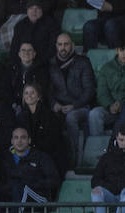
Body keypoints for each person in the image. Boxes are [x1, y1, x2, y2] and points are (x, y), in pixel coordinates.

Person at [48, 31, 96, 163]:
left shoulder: (83, 62)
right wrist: (54, 104)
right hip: (59, 107)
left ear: (73, 46)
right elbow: (48, 91)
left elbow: (89, 90)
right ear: (56, 46)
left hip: (80, 106)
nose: (63, 47)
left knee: (71, 117)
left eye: (66, 44)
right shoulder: (50, 64)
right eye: (60, 44)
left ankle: (74, 158)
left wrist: (74, 105)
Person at [90, 38, 125, 138]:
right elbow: (102, 92)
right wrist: (110, 105)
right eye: (122, 50)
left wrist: (124, 105)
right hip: (110, 109)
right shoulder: (106, 68)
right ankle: (97, 146)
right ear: (117, 50)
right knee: (94, 114)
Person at [2, 123, 59, 213]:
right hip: (14, 198)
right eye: (16, 138)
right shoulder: (5, 158)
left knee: (21, 187)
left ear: (29, 140)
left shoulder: (41, 157)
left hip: (39, 198)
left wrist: (31, 183)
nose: (19, 141)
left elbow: (54, 181)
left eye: (23, 137)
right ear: (12, 141)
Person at [16, 81, 69, 174]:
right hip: (29, 156)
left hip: (47, 157)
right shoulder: (21, 117)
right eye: (26, 93)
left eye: (32, 92)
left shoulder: (49, 115)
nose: (29, 95)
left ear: (39, 96)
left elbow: (53, 140)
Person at [9, 0, 59, 65]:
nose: (34, 11)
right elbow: (14, 49)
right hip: (22, 63)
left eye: (37, 8)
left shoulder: (52, 24)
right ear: (27, 10)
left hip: (42, 63)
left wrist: (38, 62)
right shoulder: (20, 25)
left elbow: (52, 48)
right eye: (31, 8)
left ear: (41, 10)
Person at [7, 40, 44, 106]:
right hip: (14, 105)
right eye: (23, 50)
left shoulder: (41, 70)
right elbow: (6, 90)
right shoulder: (11, 69)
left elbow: (42, 91)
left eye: (29, 50)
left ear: (34, 54)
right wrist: (13, 104)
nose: (26, 53)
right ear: (19, 54)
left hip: (35, 105)